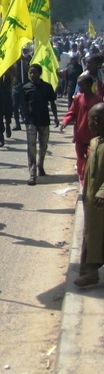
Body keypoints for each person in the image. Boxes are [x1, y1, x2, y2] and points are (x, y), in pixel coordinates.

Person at [76, 103, 104, 287]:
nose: (89, 124)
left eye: (94, 119)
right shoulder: (95, 142)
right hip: (92, 202)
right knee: (91, 237)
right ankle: (89, 272)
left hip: (101, 199)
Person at [61, 74, 102, 182]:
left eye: (81, 85)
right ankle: (83, 179)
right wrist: (65, 121)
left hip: (93, 136)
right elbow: (72, 112)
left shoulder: (98, 100)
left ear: (88, 85)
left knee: (91, 158)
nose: (79, 88)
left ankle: (88, 179)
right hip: (80, 134)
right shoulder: (78, 98)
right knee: (80, 158)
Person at [23, 64, 58, 185]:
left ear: (40, 73)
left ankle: (40, 165)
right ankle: (32, 174)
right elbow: (23, 104)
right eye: (30, 73)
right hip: (31, 121)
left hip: (44, 120)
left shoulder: (47, 87)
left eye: (34, 72)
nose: (32, 75)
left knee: (43, 146)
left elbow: (52, 103)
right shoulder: (26, 88)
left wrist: (56, 118)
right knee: (31, 148)